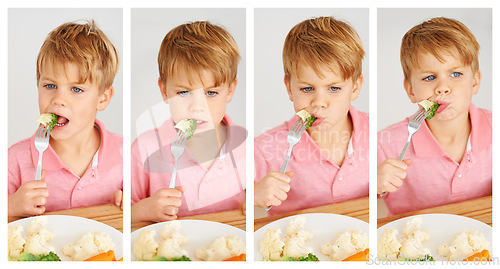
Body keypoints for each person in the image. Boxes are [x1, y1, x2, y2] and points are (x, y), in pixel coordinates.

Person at [131, 21, 246, 223]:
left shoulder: (246, 147)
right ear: (164, 90)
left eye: (211, 93)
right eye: (184, 92)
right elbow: (124, 214)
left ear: (230, 90)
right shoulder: (144, 149)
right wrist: (143, 210)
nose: (197, 107)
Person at [254, 17, 369, 216]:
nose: (319, 102)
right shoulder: (265, 148)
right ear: (289, 88)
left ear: (355, 87)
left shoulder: (376, 135)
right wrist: (252, 195)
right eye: (307, 88)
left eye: (334, 88)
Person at [377, 17, 491, 216]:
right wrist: (374, 184)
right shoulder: (385, 144)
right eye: (429, 78)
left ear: (475, 82)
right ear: (411, 90)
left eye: (455, 74)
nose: (442, 88)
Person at [8, 20, 122, 217]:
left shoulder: (125, 156)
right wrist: (9, 206)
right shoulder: (16, 160)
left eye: (76, 89)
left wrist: (129, 206)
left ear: (102, 98)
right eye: (50, 86)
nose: (59, 99)